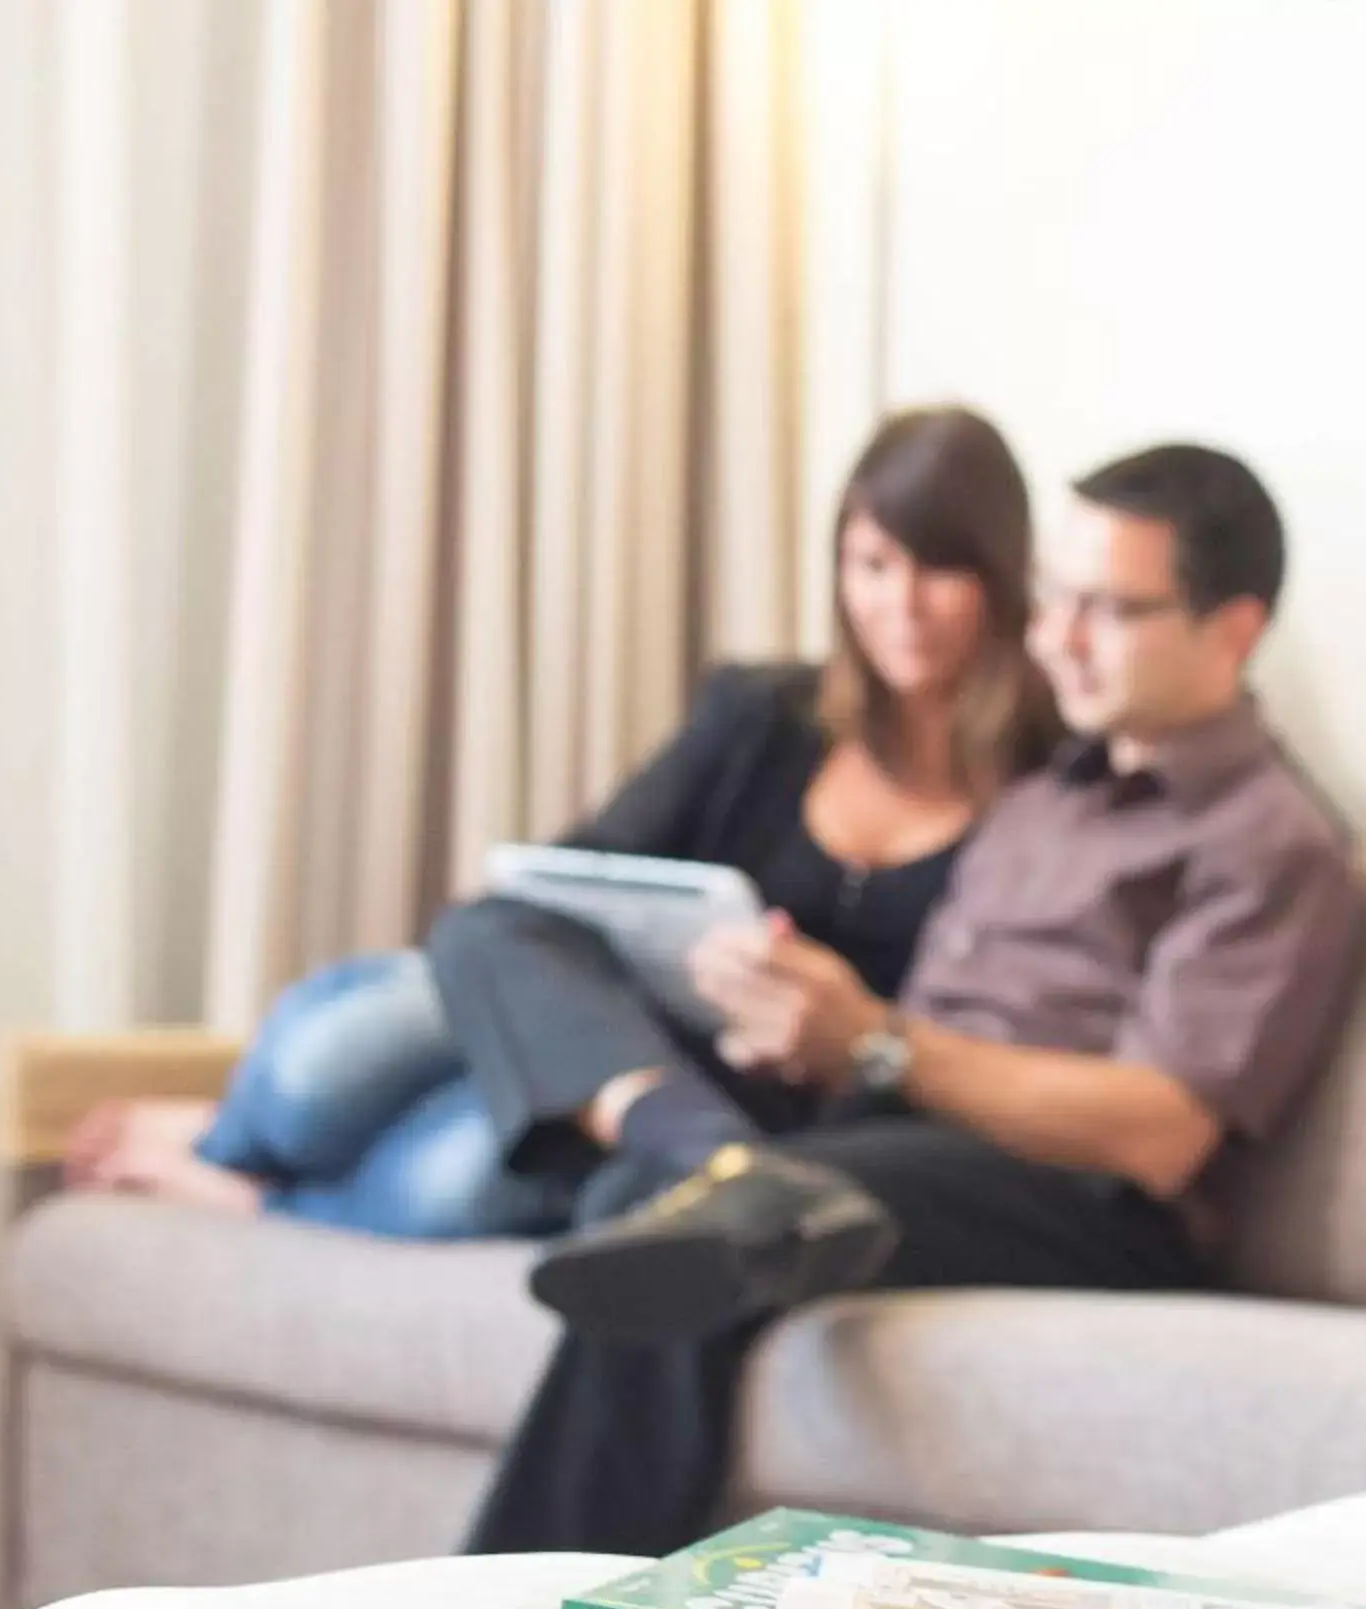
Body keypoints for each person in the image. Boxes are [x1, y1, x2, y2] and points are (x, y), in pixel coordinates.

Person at [459, 442, 1366, 1559]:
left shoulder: (1267, 842)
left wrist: (880, 1043)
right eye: (1054, 601)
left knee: (725, 1214)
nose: (1056, 641)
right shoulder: (1048, 789)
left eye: (1111, 612)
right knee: (643, 1170)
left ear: (1231, 630)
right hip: (901, 1136)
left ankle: (517, 1606)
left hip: (1080, 1199)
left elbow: (1158, 1132)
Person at [60, 404, 1056, 1238]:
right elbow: (574, 874)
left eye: (940, 571)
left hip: (762, 1098)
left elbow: (971, 1037)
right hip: (615, 1026)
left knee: (465, 1184)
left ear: (1000, 578)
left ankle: (248, 1186)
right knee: (367, 1028)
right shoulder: (762, 715)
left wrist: (821, 1032)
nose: (903, 605)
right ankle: (229, 1137)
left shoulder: (1052, 790)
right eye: (872, 565)